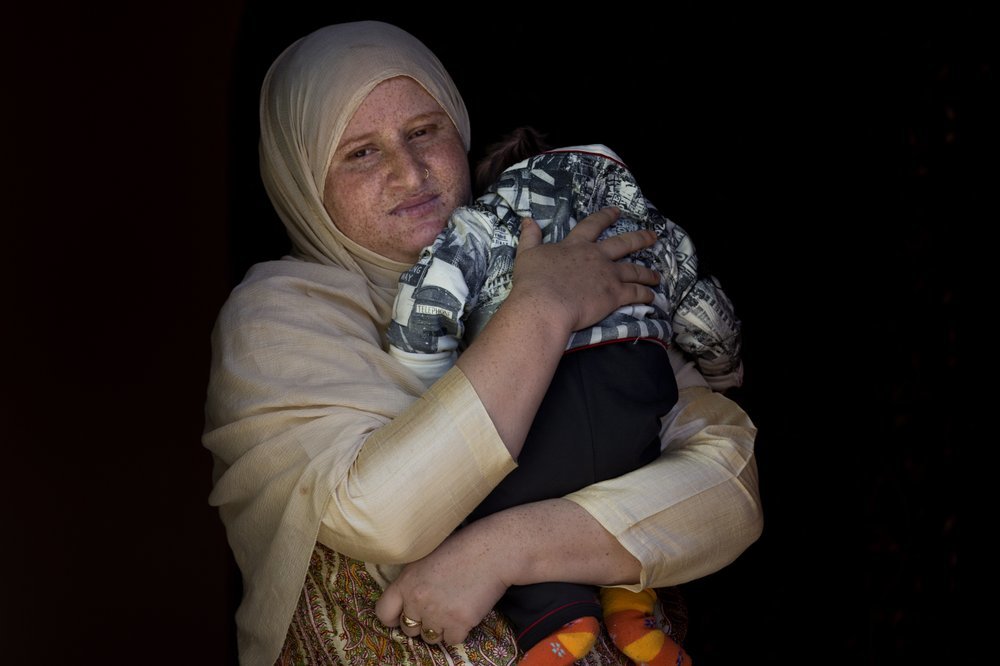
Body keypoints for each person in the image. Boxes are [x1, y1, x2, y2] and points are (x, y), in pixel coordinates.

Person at [203, 19, 763, 666]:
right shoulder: (284, 315)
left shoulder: (557, 250)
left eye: (423, 132)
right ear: (301, 180)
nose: (410, 174)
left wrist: (505, 548)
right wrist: (541, 310)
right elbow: (378, 513)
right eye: (361, 152)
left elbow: (728, 487)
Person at [387, 129, 743, 665]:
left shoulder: (488, 217)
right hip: (635, 393)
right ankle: (632, 608)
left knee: (500, 496)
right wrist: (724, 372)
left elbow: (431, 291)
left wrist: (431, 380)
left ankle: (559, 617)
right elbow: (701, 308)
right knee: (635, 492)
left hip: (543, 397)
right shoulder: (646, 221)